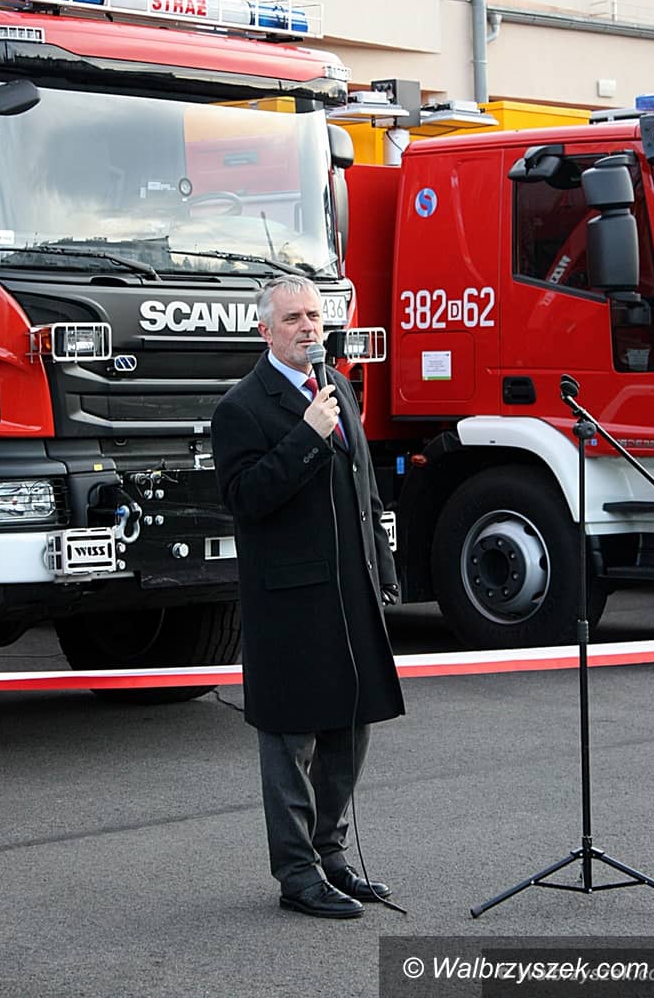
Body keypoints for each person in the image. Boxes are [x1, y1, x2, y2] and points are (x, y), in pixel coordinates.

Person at [211, 275, 405, 920]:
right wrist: (306, 436)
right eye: (293, 318)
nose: (308, 328)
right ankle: (297, 874)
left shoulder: (336, 386)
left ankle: (331, 854)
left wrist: (383, 565)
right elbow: (245, 498)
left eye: (315, 316)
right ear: (264, 330)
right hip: (289, 600)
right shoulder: (242, 406)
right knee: (291, 738)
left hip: (351, 590)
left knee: (352, 723)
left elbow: (364, 485)